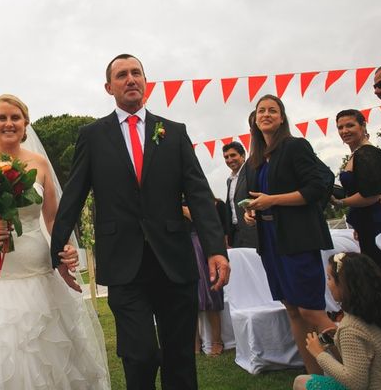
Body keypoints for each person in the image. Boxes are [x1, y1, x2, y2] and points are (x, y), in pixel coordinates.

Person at [51, 54, 229, 390]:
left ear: (146, 82)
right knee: (140, 354)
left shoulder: (174, 133)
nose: (130, 79)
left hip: (174, 260)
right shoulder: (92, 136)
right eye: (122, 75)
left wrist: (215, 248)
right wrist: (58, 247)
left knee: (180, 357)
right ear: (109, 87)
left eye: (136, 73)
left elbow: (199, 195)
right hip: (122, 262)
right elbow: (73, 195)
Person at [0, 94, 110, 390]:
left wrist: (64, 247)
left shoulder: (39, 164)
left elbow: (53, 220)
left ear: (26, 124)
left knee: (44, 352)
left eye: (15, 117)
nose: (9, 123)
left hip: (36, 267)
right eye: (2, 118)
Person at [244, 94, 335, 375]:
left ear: (282, 118)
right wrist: (252, 212)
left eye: (273, 110)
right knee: (292, 309)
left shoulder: (296, 147)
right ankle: (313, 377)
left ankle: (360, 367)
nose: (267, 114)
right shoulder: (256, 161)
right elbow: (257, 199)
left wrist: (272, 200)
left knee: (311, 310)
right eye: (262, 111)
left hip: (298, 238)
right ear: (255, 119)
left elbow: (316, 189)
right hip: (270, 240)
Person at [293, 252, 381, 390]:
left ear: (343, 285)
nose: (327, 284)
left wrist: (319, 353)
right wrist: (337, 340)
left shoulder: (350, 328)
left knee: (301, 383)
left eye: (329, 278)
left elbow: (356, 383)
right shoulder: (374, 313)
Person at [332, 109, 381, 268]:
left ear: (363, 126)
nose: (344, 131)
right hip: (366, 222)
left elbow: (371, 195)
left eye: (350, 125)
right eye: (340, 127)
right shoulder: (357, 153)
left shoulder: (367, 153)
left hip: (375, 222)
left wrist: (340, 202)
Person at [185, 198, 226, 357]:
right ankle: (194, 342)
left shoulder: (208, 201)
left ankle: (217, 341)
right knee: (187, 299)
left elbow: (209, 222)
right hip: (181, 247)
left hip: (201, 246)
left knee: (210, 293)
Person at [222, 141, 257, 248]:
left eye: (233, 155)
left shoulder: (252, 171)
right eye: (226, 157)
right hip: (236, 234)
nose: (229, 159)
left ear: (243, 156)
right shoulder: (229, 180)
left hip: (253, 231)